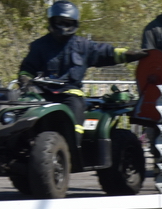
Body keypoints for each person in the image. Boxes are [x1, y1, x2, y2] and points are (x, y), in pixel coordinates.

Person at [18, 1, 147, 137]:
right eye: (59, 22)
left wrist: (131, 55)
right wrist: (25, 80)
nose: (63, 27)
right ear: (52, 21)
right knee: (21, 115)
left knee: (75, 118)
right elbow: (27, 68)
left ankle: (74, 147)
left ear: (74, 23)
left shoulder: (84, 46)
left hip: (70, 95)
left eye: (67, 23)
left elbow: (107, 53)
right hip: (42, 94)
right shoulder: (39, 45)